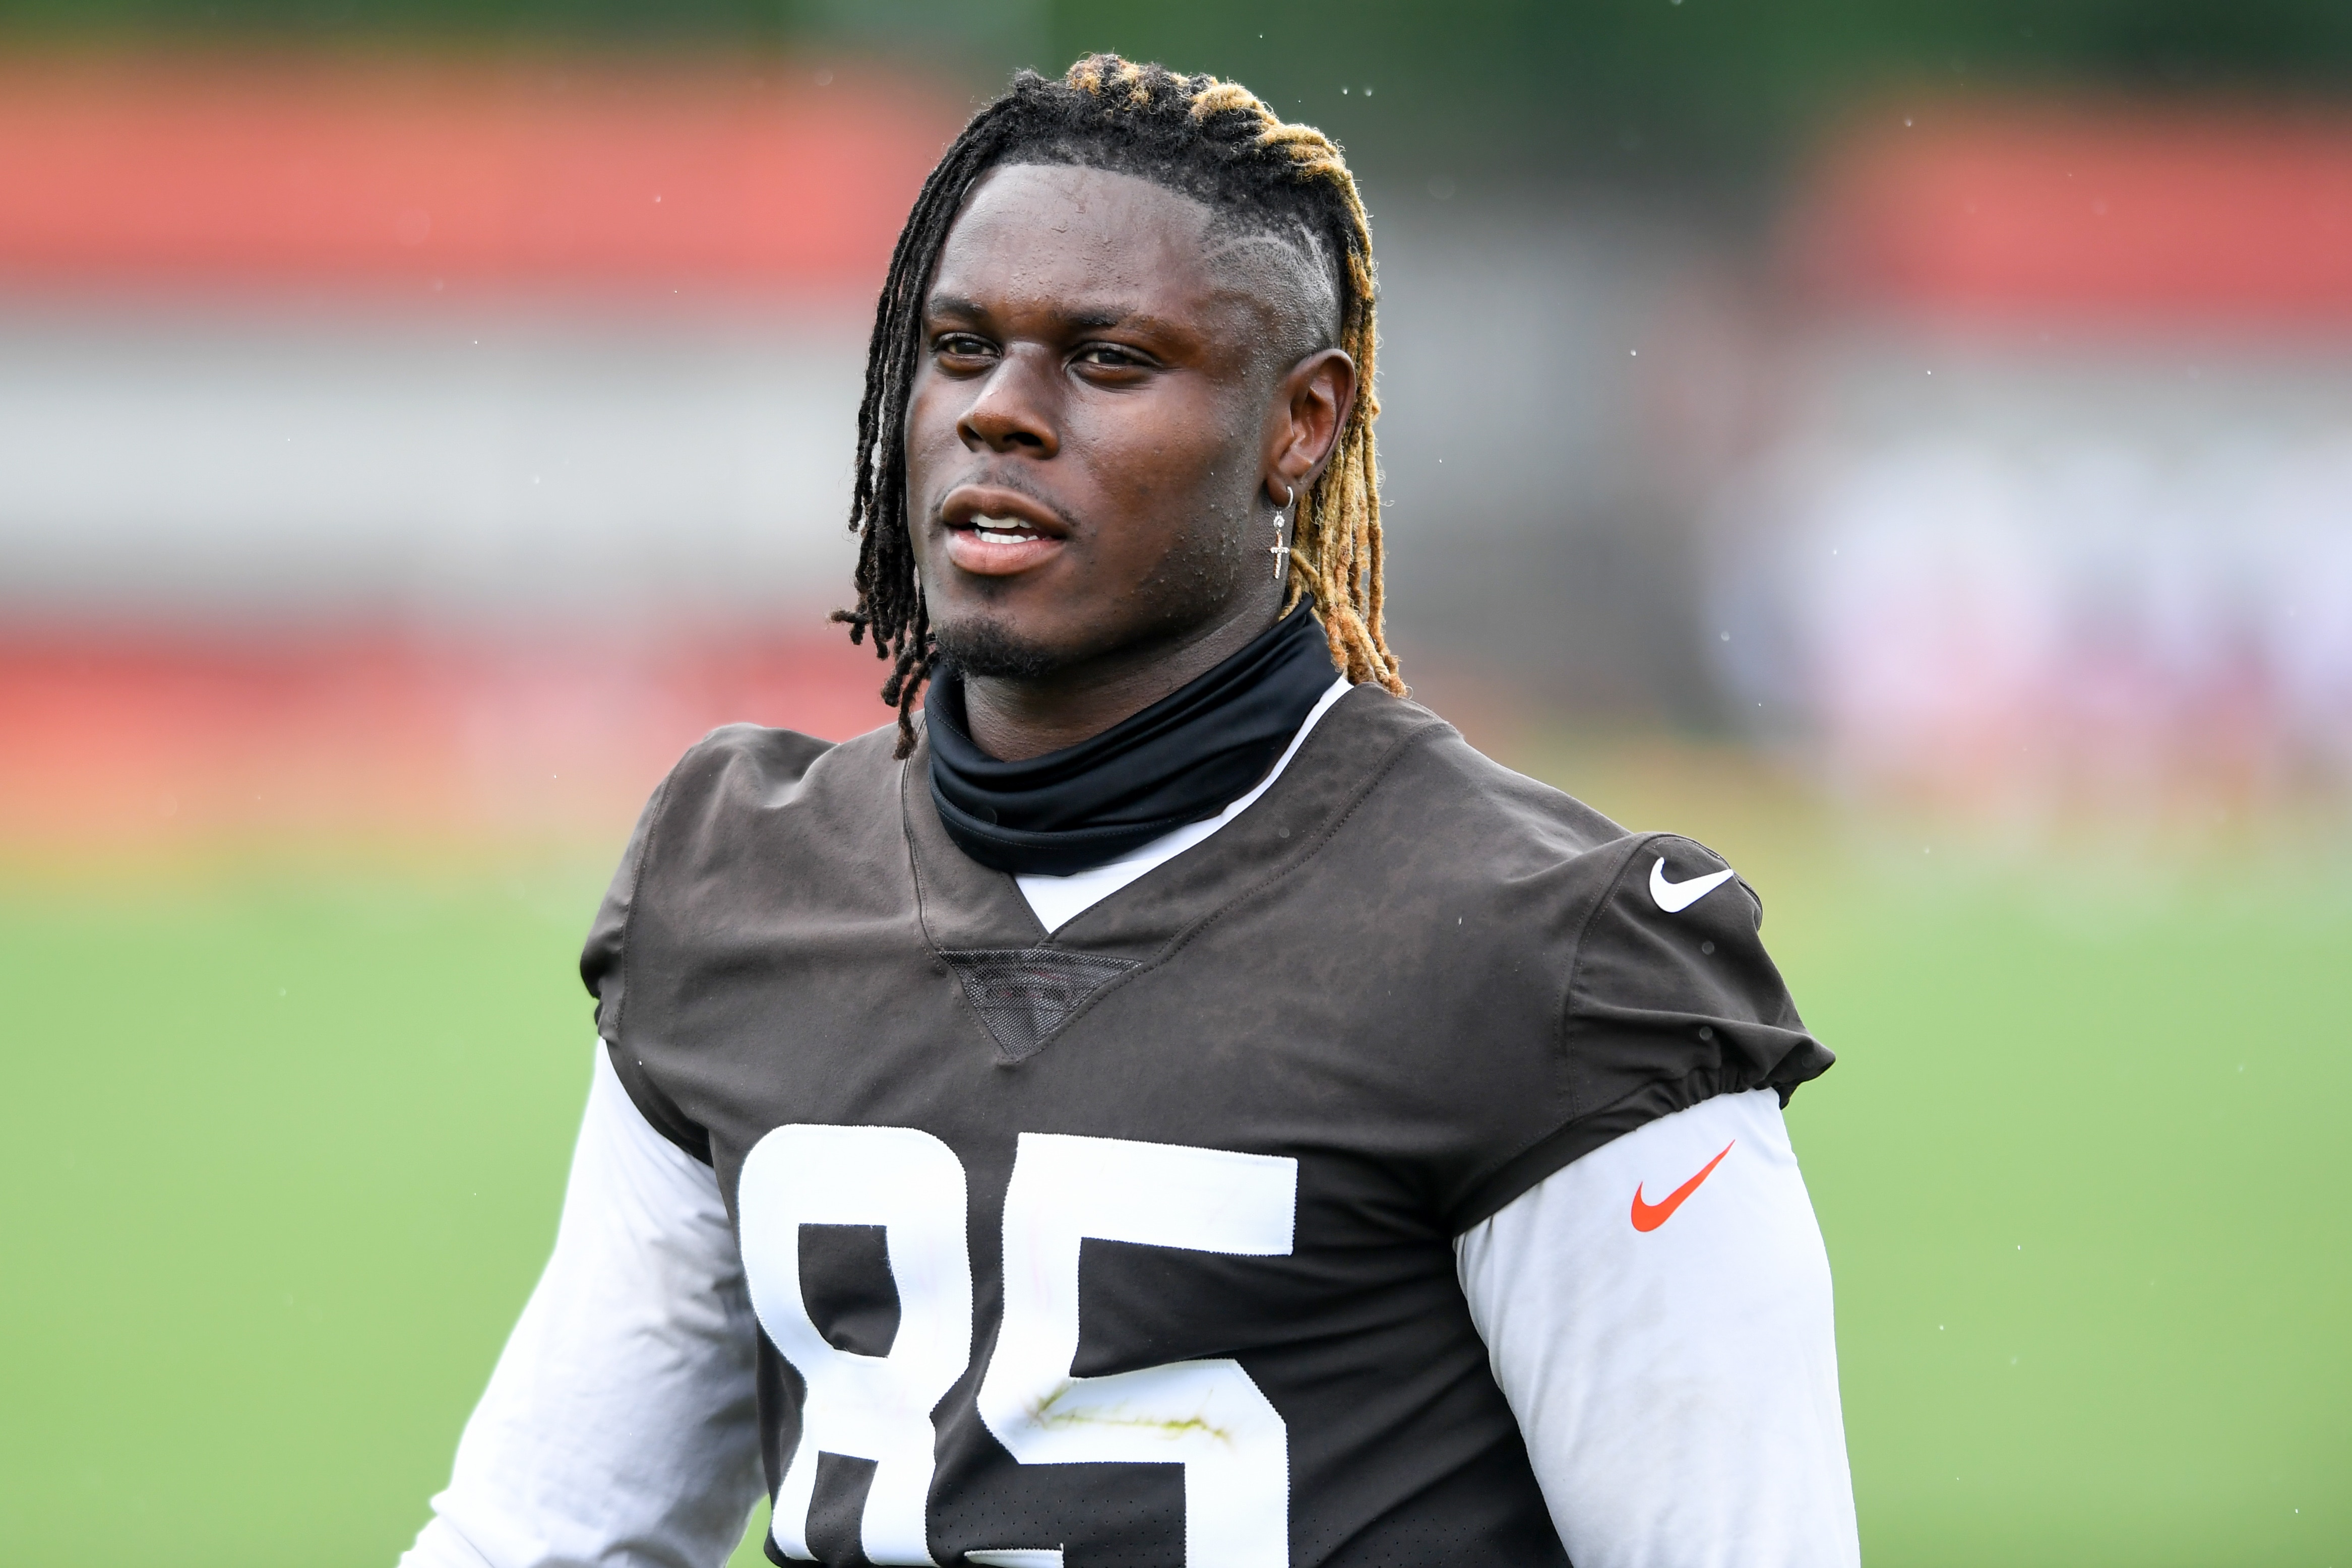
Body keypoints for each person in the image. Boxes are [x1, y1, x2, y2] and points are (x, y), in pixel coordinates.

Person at [402, 55, 1858, 1568]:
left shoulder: (1542, 952)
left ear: (1302, 424)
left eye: (1104, 361)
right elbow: (550, 1530)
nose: (1001, 415)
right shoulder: (738, 878)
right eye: (959, 347)